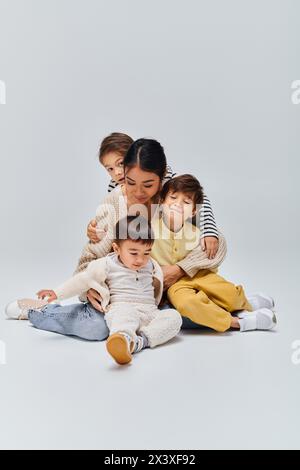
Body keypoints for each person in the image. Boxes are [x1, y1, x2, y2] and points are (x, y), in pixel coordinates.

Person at [5, 139, 226, 342]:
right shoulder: (114, 205)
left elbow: (217, 246)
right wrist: (88, 289)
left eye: (148, 185)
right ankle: (41, 310)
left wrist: (179, 269)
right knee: (96, 328)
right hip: (119, 297)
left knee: (188, 313)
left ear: (162, 178)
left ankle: (140, 339)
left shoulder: (171, 203)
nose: (138, 192)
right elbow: (88, 260)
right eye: (130, 182)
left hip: (158, 297)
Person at [6, 216, 182, 365]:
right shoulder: (107, 264)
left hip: (149, 312)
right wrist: (56, 292)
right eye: (134, 253)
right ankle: (123, 338)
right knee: (124, 317)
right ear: (116, 248)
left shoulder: (151, 264)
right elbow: (81, 280)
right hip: (121, 308)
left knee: (174, 318)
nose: (140, 259)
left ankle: (140, 341)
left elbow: (156, 285)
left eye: (146, 252)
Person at [151, 174, 277, 332]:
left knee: (227, 292)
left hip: (198, 274)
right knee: (186, 304)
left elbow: (209, 259)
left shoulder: (198, 234)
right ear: (162, 202)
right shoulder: (150, 230)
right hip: (173, 286)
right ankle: (240, 322)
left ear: (194, 211)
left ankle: (247, 303)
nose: (178, 204)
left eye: (186, 202)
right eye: (173, 198)